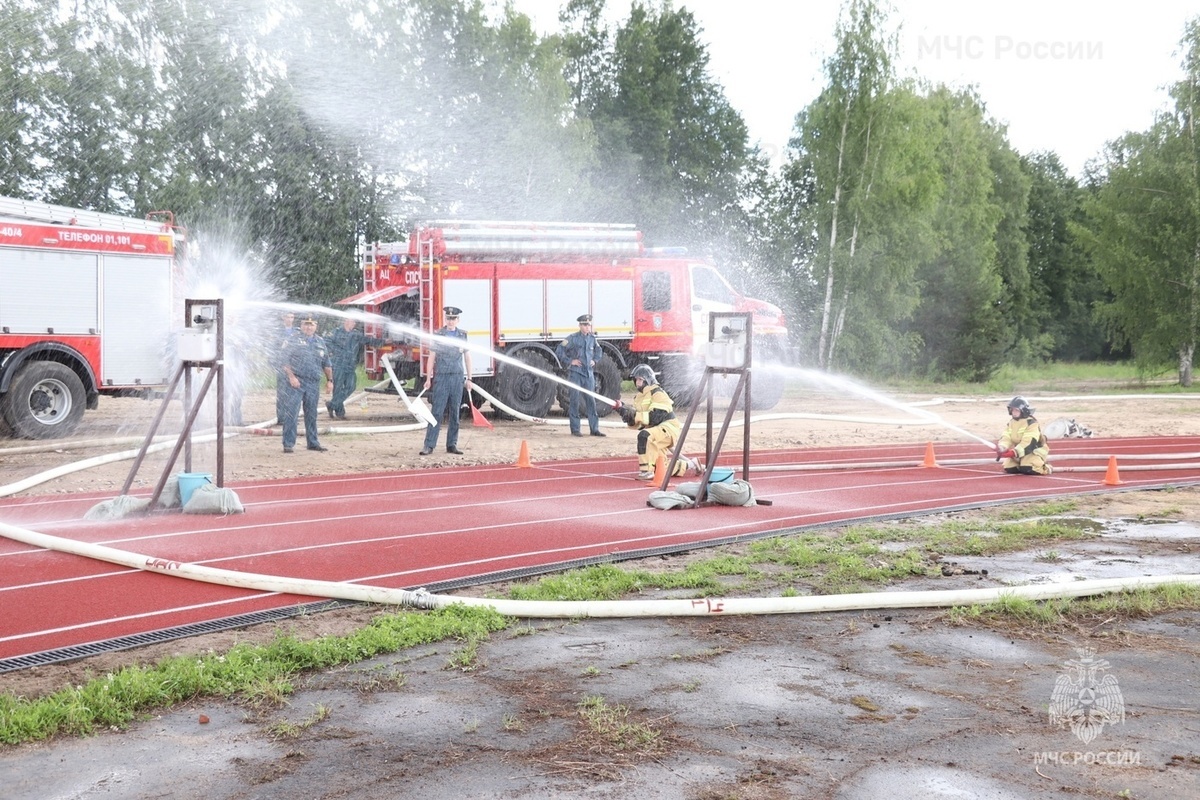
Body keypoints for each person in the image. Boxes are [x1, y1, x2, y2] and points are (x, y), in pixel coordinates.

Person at [617, 364, 700, 480]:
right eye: (636, 379)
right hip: (656, 431)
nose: (637, 382)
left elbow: (656, 417)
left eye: (640, 379)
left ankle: (646, 472)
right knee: (660, 467)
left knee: (644, 436)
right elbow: (641, 424)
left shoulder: (658, 393)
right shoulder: (638, 398)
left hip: (668, 428)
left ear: (648, 379)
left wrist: (634, 415)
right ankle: (691, 464)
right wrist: (624, 412)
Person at [420, 306, 472, 455]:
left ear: (458, 320)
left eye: (453, 318)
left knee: (455, 412)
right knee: (437, 411)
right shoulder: (439, 334)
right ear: (445, 319)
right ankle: (429, 445)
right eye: (448, 318)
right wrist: (428, 377)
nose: (450, 321)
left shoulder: (462, 336)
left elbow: (467, 357)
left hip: (456, 376)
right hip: (442, 377)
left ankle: (452, 444)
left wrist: (469, 378)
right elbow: (432, 357)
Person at [280, 315, 333, 453]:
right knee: (292, 413)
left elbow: (326, 363)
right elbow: (284, 361)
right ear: (301, 325)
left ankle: (313, 442)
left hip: (313, 383)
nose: (309, 327)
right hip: (296, 382)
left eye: (312, 324)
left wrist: (330, 381)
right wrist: (292, 377)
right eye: (306, 324)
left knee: (311, 414)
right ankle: (288, 443)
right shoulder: (293, 339)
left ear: (316, 326)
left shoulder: (320, 342)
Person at [555, 313, 606, 437]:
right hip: (576, 374)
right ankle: (575, 429)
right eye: (584, 325)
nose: (587, 327)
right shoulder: (572, 338)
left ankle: (594, 429)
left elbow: (599, 351)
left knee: (591, 401)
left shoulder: (592, 339)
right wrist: (570, 361)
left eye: (589, 325)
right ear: (580, 325)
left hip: (588, 374)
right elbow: (559, 350)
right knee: (574, 401)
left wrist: (595, 360)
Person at [326, 317, 383, 419]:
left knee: (351, 386)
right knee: (337, 389)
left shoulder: (356, 334)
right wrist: (338, 353)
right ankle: (340, 413)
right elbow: (326, 342)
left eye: (354, 322)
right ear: (346, 321)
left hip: (350, 365)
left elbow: (368, 340)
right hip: (338, 365)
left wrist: (383, 341)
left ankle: (332, 404)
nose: (354, 324)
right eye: (352, 321)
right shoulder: (336, 332)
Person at [996, 395, 1051, 475]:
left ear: (1023, 411)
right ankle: (1022, 463)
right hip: (1020, 452)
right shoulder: (1011, 423)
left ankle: (1047, 468)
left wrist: (1014, 452)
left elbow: (1028, 442)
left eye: (1016, 410)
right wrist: (1002, 447)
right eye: (1012, 410)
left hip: (1033, 451)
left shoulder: (1031, 423)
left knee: (1028, 468)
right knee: (1010, 468)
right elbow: (1006, 436)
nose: (1014, 412)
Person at [272, 311, 296, 425]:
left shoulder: (297, 332)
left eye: (292, 317)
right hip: (282, 366)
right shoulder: (277, 333)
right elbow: (273, 349)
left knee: (294, 393)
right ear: (283, 318)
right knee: (282, 393)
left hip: (295, 366)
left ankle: (292, 417)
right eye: (288, 317)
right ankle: (281, 417)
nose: (290, 319)